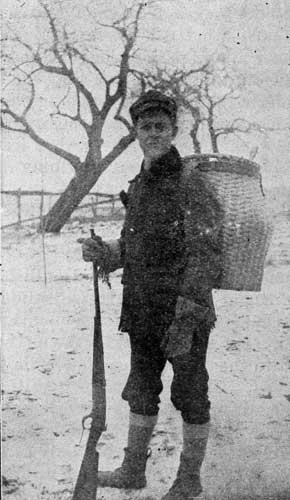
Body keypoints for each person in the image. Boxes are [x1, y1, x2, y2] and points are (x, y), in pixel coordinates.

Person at [81, 90, 223, 499]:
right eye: (146, 127)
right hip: (143, 306)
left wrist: (188, 312)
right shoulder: (139, 184)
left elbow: (204, 252)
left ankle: (189, 480)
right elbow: (137, 246)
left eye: (161, 126)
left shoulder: (189, 183)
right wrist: (105, 253)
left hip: (183, 308)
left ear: (174, 131)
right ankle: (133, 469)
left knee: (190, 391)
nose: (154, 133)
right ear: (137, 132)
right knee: (141, 387)